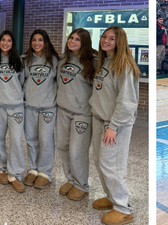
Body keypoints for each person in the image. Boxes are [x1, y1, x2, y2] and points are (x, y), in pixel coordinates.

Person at [90, 27, 140, 225]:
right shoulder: (105, 62)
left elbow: (127, 101)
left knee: (112, 165)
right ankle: (111, 196)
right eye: (104, 37)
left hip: (114, 124)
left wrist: (114, 125)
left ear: (120, 42)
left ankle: (123, 208)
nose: (106, 41)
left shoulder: (124, 65)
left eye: (112, 38)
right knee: (99, 161)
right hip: (100, 119)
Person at [57, 28, 97, 201]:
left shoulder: (93, 62)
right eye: (71, 38)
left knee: (77, 150)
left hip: (82, 114)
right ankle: (71, 179)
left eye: (77, 40)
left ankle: (82, 185)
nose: (72, 41)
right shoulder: (63, 60)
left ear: (85, 43)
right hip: (63, 110)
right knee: (62, 146)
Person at [0, 29, 26, 191]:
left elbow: (22, 82)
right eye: (3, 40)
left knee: (16, 140)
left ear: (13, 43)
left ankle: (15, 173)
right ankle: (2, 169)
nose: (5, 43)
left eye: (9, 40)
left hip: (16, 106)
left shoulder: (19, 60)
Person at [22, 29, 59, 189]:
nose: (36, 43)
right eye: (34, 40)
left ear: (46, 42)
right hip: (29, 105)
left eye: (40, 40)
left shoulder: (54, 60)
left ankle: (45, 172)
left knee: (45, 139)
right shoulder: (25, 60)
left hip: (48, 107)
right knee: (31, 139)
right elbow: (21, 81)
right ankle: (33, 169)